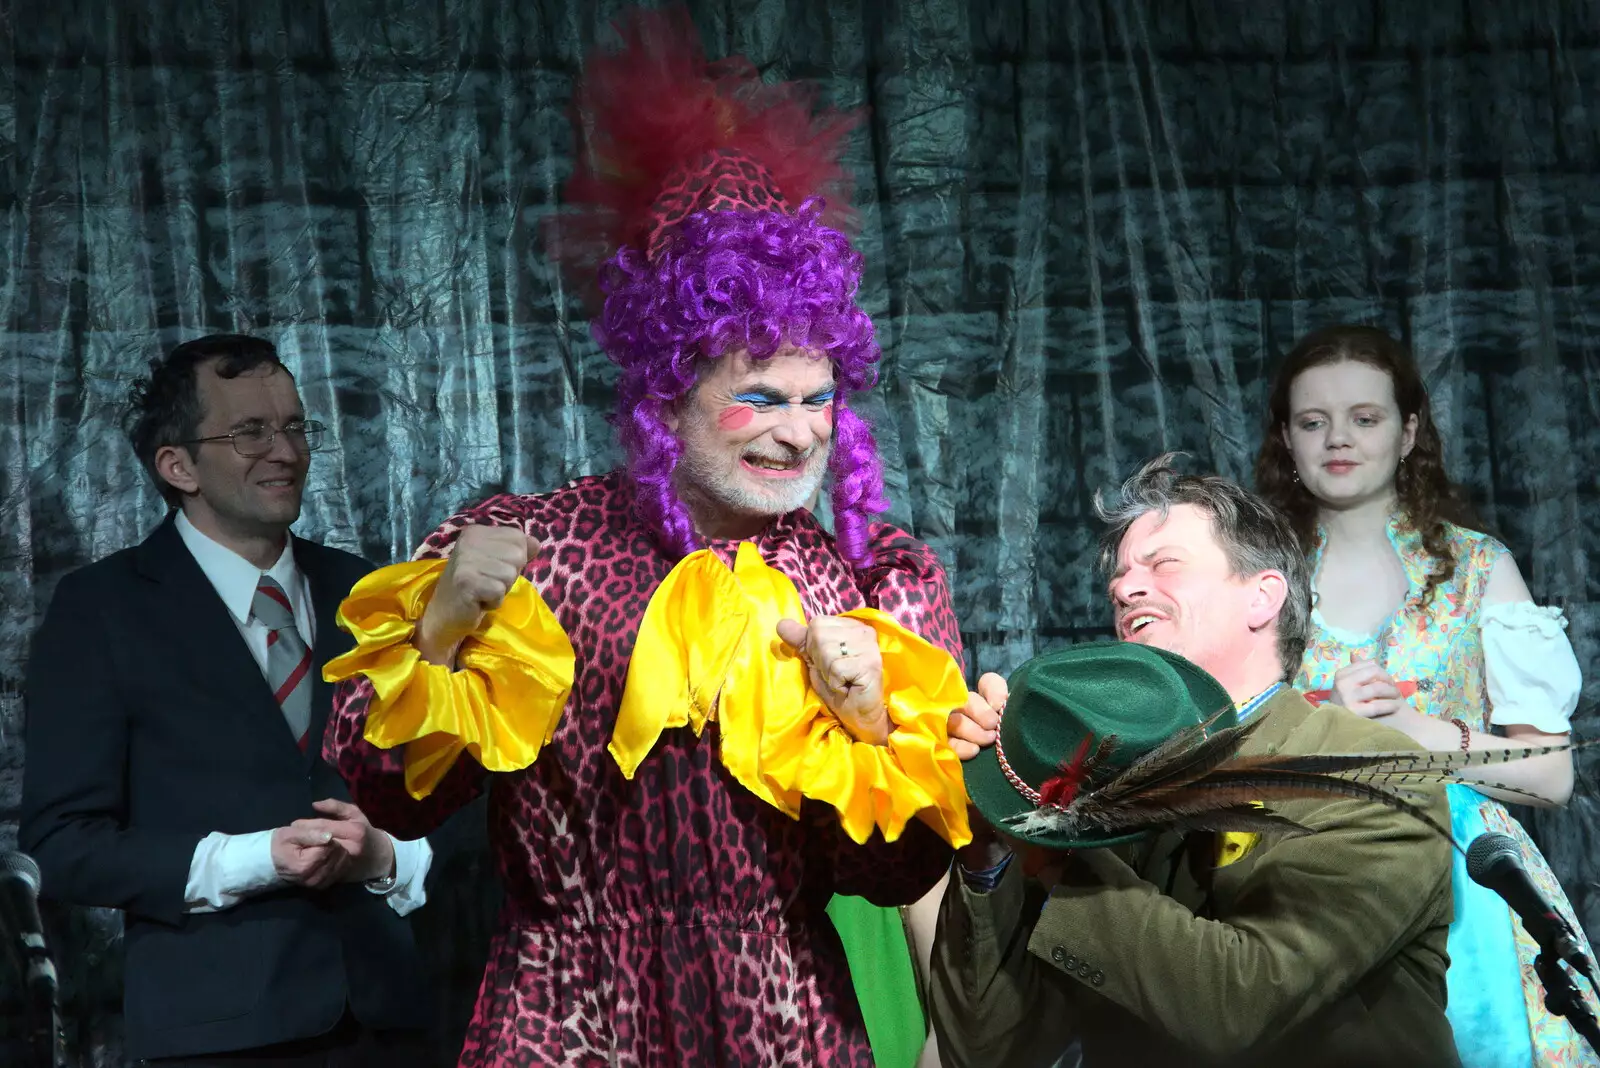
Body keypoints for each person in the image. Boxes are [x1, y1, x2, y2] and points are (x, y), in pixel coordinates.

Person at [320, 10, 970, 1066]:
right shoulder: (533, 551)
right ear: (665, 404)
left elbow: (896, 875)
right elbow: (384, 797)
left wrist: (865, 719)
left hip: (781, 1021)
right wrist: (439, 628)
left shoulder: (868, 580)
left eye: (818, 397)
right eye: (759, 396)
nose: (800, 428)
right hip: (566, 1012)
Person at [931, 456, 1459, 1068]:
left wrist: (1051, 847)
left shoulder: (1370, 771)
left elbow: (1242, 1004)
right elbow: (983, 1049)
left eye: (1163, 565)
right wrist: (992, 837)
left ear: (1263, 596)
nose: (1125, 589)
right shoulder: (1099, 789)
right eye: (1120, 579)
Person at [20, 334, 434, 1066]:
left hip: (391, 1020)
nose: (285, 451)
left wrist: (387, 857)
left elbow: (444, 794)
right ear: (177, 465)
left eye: (296, 427)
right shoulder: (101, 611)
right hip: (217, 1034)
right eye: (250, 432)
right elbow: (62, 845)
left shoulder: (370, 592)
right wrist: (254, 859)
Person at [1255, 324, 1595, 1068]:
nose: (1337, 438)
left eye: (1365, 418)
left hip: (1465, 893)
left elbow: (1550, 775)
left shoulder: (1478, 569)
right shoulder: (1256, 585)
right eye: (1313, 422)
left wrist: (1410, 727)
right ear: (1287, 437)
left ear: (1408, 432)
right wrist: (1319, 728)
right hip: (1302, 883)